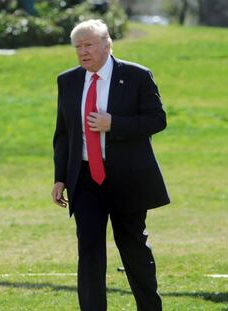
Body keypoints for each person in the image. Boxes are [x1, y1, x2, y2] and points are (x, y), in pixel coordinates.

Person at [51, 19, 169, 311]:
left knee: (132, 248)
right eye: (78, 47)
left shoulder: (137, 76)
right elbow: (63, 133)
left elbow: (157, 120)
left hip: (126, 178)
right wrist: (60, 177)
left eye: (88, 44)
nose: (83, 52)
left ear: (107, 44)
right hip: (86, 179)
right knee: (89, 249)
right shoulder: (68, 80)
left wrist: (113, 124)